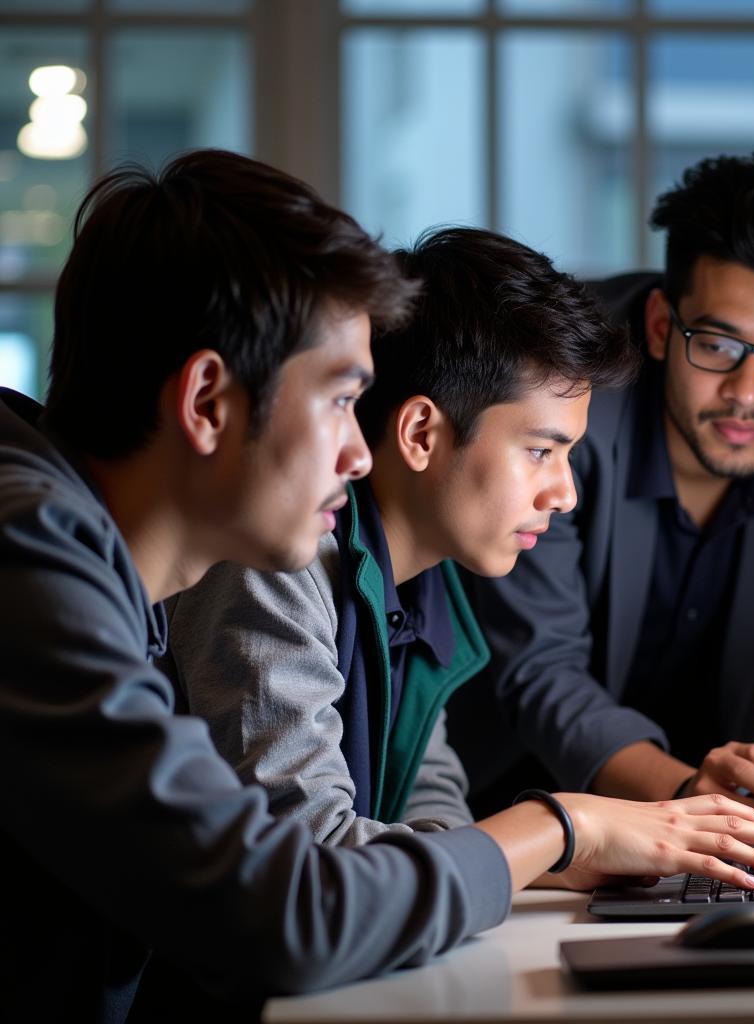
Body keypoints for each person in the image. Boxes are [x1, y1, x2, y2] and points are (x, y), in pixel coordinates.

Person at [0, 150, 754, 1022]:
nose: (357, 451)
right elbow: (296, 908)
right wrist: (566, 826)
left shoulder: (87, 568)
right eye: (341, 400)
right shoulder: (34, 557)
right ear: (208, 404)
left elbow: (355, 860)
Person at [447, 152, 754, 844]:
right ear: (661, 325)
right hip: (502, 804)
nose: (748, 394)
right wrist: (686, 794)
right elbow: (541, 668)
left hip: (698, 817)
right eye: (719, 344)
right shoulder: (570, 389)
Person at [160, 225, 638, 846]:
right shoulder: (276, 561)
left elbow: (429, 797)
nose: (565, 494)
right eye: (542, 451)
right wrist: (564, 835)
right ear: (419, 434)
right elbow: (314, 858)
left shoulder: (424, 583)